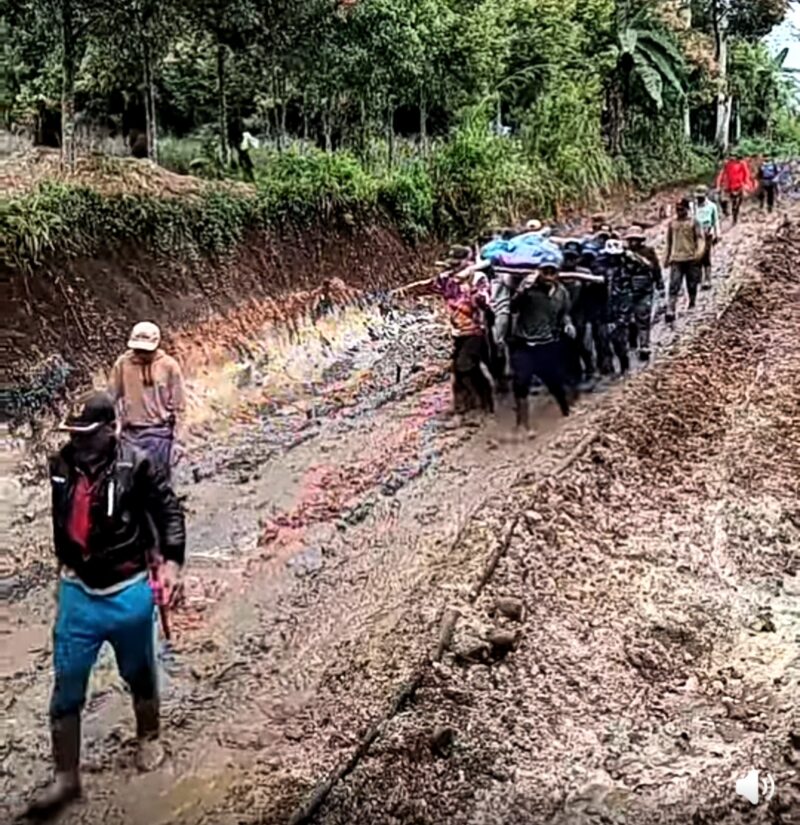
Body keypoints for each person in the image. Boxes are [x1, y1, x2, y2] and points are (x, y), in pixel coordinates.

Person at [28, 393, 185, 817]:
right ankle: (66, 779)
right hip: (77, 591)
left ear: (110, 430)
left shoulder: (137, 463)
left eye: (86, 434)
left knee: (138, 670)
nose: (77, 442)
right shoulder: (60, 466)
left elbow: (169, 512)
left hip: (128, 589)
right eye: (73, 434)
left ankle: (149, 736)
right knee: (67, 685)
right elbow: (63, 520)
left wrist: (171, 563)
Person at [109, 322, 186, 482]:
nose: (141, 354)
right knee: (129, 482)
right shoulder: (122, 364)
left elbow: (180, 406)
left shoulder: (169, 366)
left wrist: (179, 441)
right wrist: (114, 426)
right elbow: (111, 397)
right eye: (138, 350)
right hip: (130, 434)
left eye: (146, 350)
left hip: (160, 433)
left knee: (158, 483)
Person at [508, 256, 574, 430]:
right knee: (521, 382)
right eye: (545, 271)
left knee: (555, 382)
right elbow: (513, 308)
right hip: (524, 344)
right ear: (539, 272)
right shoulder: (528, 290)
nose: (549, 275)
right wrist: (522, 290)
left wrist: (568, 324)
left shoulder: (561, 292)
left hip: (547, 344)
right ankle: (522, 424)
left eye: (552, 271)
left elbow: (565, 313)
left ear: (557, 274)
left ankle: (567, 413)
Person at [433, 246, 494, 415]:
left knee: (465, 366)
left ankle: (484, 405)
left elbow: (485, 301)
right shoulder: (447, 279)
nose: (454, 267)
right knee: (460, 371)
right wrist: (404, 291)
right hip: (458, 332)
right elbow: (430, 286)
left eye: (457, 263)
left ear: (468, 262)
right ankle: (465, 406)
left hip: (476, 331)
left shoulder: (477, 278)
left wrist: (472, 291)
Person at [624, 227, 665, 362]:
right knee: (630, 319)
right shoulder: (624, 253)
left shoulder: (648, 251)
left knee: (643, 317)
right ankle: (632, 342)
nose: (633, 242)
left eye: (636, 239)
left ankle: (644, 345)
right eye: (631, 239)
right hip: (628, 289)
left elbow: (655, 268)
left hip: (645, 288)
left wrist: (660, 285)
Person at [595, 239, 633, 375]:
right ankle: (608, 371)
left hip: (619, 312)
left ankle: (625, 368)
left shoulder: (625, 269)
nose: (612, 259)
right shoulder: (598, 267)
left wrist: (621, 319)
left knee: (620, 345)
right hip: (602, 313)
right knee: (603, 345)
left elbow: (627, 296)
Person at [665, 198, 705, 322]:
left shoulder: (694, 222)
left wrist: (699, 253)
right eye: (677, 209)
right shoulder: (672, 224)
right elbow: (669, 241)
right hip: (676, 259)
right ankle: (671, 308)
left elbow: (700, 238)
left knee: (692, 283)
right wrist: (666, 257)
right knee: (674, 285)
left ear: (687, 209)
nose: (679, 212)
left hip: (691, 258)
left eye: (681, 209)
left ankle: (692, 303)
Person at [693, 186, 721, 290]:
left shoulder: (712, 206)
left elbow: (715, 221)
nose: (699, 199)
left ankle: (707, 279)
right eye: (698, 197)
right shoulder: (693, 206)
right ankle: (698, 278)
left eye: (701, 197)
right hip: (695, 234)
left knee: (706, 256)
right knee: (696, 256)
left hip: (707, 233)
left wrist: (717, 234)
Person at [716, 151, 754, 225]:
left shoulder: (742, 164)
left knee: (737, 204)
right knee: (729, 202)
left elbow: (746, 175)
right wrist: (719, 185)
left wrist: (748, 185)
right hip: (730, 187)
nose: (732, 157)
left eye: (733, 156)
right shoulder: (727, 164)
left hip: (739, 187)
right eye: (731, 156)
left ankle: (735, 217)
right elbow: (722, 174)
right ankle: (730, 215)